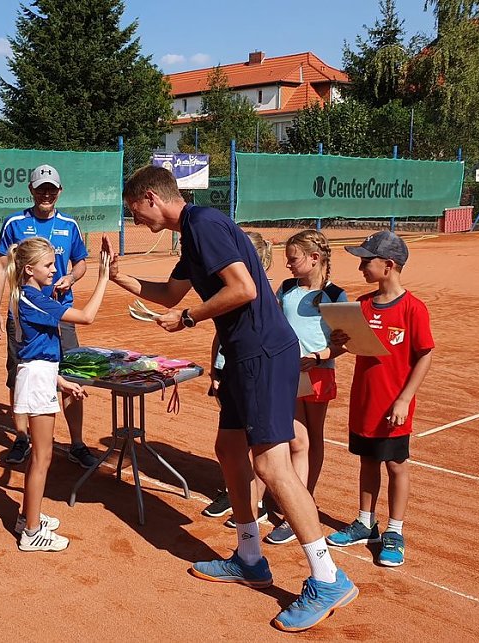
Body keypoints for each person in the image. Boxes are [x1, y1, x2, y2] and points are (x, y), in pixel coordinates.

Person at [106, 165, 357, 632]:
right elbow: (169, 293)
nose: (135, 219)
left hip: (262, 351)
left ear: (150, 199)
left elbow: (241, 288)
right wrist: (120, 277)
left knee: (272, 466)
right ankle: (248, 556)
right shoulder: (192, 236)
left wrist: (190, 319)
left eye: (133, 211)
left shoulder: (204, 224)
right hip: (244, 357)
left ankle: (328, 577)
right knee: (228, 450)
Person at [326, 231, 434, 567]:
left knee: (396, 465)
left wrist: (404, 399)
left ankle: (395, 530)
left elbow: (424, 355)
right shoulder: (362, 304)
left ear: (388, 266)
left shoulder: (413, 309)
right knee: (368, 461)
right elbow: (348, 347)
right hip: (364, 401)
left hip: (393, 406)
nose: (360, 266)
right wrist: (337, 342)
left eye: (366, 260)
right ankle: (365, 522)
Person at [0, 165, 99, 469]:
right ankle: (22, 438)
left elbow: (81, 264)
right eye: (41, 188)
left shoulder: (70, 225)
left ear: (59, 191)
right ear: (31, 190)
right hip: (24, 313)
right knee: (20, 371)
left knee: (70, 374)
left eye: (51, 188)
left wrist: (71, 279)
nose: (46, 194)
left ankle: (77, 443)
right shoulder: (15, 223)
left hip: (61, 312)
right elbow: (0, 266)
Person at [7, 237, 111, 551]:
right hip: (37, 378)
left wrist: (60, 382)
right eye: (49, 265)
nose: (55, 270)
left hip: (41, 375)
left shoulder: (32, 295)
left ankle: (29, 517)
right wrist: (103, 278)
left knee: (40, 456)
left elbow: (38, 350)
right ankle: (32, 533)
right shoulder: (34, 298)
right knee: (42, 457)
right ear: (29, 269)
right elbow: (87, 316)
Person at [265, 230, 348, 545]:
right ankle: (296, 502)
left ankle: (302, 502)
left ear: (315, 258)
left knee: (312, 437)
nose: (288, 265)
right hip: (285, 374)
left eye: (293, 259)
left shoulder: (336, 295)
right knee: (296, 441)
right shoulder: (285, 288)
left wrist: (318, 357)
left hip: (317, 374)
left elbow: (347, 341)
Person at [203, 232, 271, 528]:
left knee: (254, 442)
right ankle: (235, 491)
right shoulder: (230, 288)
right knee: (231, 442)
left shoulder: (254, 294)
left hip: (251, 371)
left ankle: (256, 503)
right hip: (227, 369)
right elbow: (221, 334)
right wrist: (215, 367)